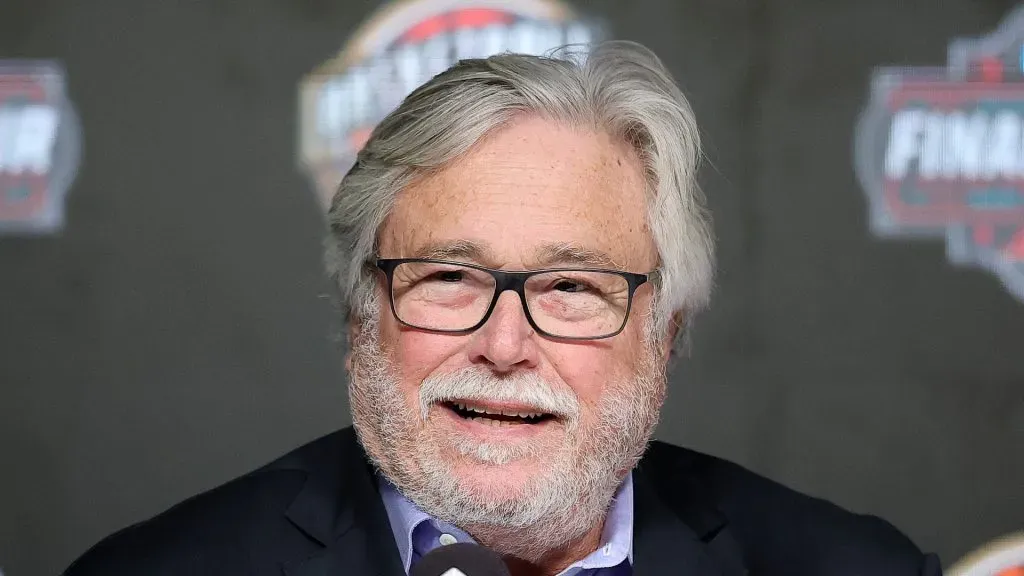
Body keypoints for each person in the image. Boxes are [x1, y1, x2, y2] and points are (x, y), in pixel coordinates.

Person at [64, 41, 942, 576]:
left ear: (665, 334)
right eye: (449, 276)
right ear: (361, 313)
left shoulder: (855, 569)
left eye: (571, 287)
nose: (505, 342)